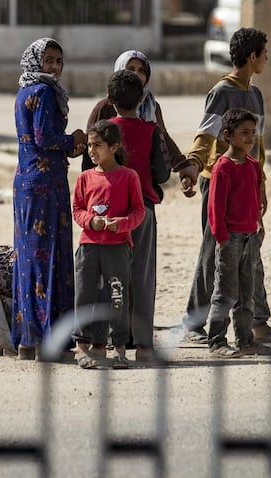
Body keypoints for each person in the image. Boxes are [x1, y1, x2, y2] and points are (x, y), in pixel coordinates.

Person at [181, 27, 271, 345]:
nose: (267, 58)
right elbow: (205, 136)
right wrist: (193, 166)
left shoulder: (256, 95)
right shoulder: (222, 92)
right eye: (264, 53)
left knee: (250, 252)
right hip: (219, 182)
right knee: (214, 252)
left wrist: (261, 184)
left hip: (247, 184)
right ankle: (195, 322)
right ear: (252, 57)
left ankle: (257, 322)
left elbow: (259, 147)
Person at [11, 38, 87, 361]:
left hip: (26, 182)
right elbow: (44, 138)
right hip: (46, 184)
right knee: (48, 256)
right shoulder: (43, 93)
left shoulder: (23, 91)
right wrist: (75, 141)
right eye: (48, 60)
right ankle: (47, 340)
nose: (54, 67)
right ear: (36, 62)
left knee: (28, 258)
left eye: (58, 61)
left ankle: (28, 340)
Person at [104, 69, 170, 363]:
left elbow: (88, 168)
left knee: (113, 277)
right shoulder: (150, 131)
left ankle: (114, 342)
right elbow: (163, 172)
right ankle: (143, 345)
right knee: (142, 277)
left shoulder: (103, 131)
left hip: (110, 212)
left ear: (109, 100)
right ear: (142, 97)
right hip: (142, 210)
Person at [72, 119, 145, 369]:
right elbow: (77, 209)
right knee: (84, 296)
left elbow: (138, 211)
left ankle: (119, 349)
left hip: (117, 247)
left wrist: (121, 223)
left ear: (114, 147)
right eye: (90, 145)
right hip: (89, 246)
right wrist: (91, 222)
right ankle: (82, 348)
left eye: (98, 145)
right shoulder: (84, 178)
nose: (92, 150)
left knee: (117, 297)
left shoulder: (128, 177)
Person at [82, 49, 198, 196]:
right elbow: (90, 148)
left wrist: (183, 166)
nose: (136, 74)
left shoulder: (152, 107)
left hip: (143, 189)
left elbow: (163, 138)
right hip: (110, 189)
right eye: (130, 69)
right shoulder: (105, 107)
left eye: (141, 71)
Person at [206, 108, 266, 357]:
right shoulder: (223, 168)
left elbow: (256, 200)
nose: (250, 138)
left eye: (253, 132)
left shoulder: (253, 166)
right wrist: (222, 237)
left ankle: (245, 340)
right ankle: (217, 341)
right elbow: (215, 208)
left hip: (250, 237)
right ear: (228, 135)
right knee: (225, 292)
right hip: (230, 238)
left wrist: (259, 224)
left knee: (247, 291)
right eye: (244, 133)